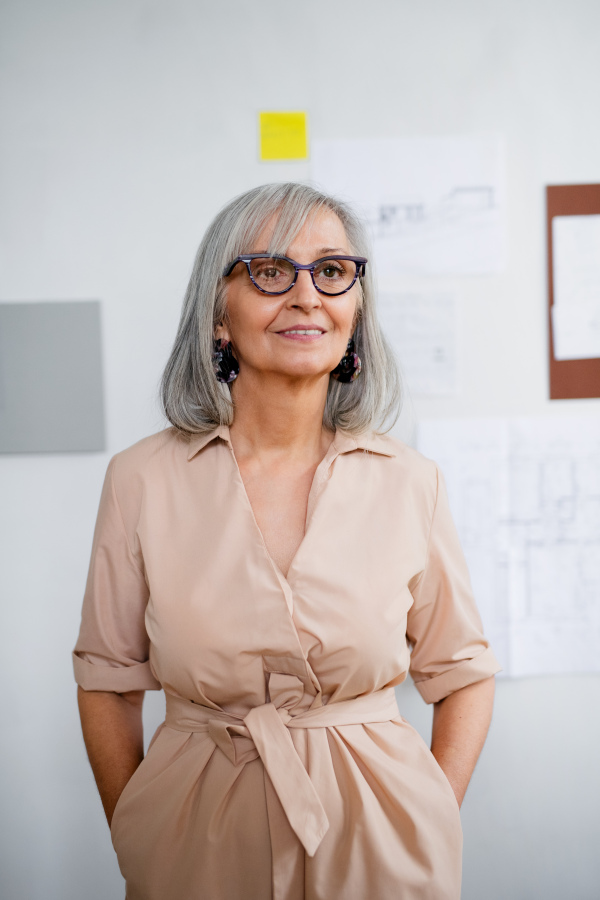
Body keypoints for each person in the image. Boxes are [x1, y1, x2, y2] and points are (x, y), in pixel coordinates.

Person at [73, 182, 501, 900]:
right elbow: (108, 682)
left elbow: (462, 673)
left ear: (354, 312)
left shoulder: (409, 481)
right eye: (271, 270)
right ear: (218, 314)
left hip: (381, 838)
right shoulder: (140, 480)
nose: (306, 295)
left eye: (332, 272)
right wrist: (140, 833)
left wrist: (429, 813)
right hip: (193, 836)